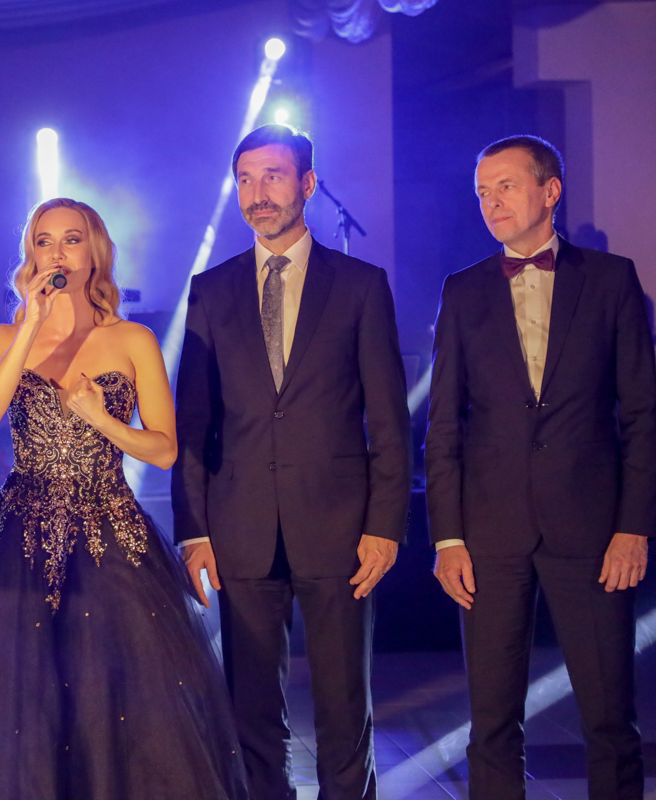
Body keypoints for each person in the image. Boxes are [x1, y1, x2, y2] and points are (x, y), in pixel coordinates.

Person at [0, 198, 247, 800]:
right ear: (31, 256)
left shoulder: (132, 339)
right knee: (13, 704)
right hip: (18, 534)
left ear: (95, 251)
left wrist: (103, 420)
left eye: (71, 239)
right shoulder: (2, 338)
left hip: (108, 532)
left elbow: (165, 449)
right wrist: (30, 325)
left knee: (112, 702)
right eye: (44, 242)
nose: (58, 253)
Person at [173, 124, 412, 800]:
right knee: (250, 714)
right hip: (239, 525)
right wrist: (194, 529)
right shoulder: (211, 289)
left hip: (340, 528)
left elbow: (388, 419)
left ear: (307, 184)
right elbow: (194, 421)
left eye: (273, 176)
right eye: (245, 180)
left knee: (344, 710)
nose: (258, 193)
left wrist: (385, 524)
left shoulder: (360, 285)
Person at [426, 135, 656, 800]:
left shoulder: (611, 280)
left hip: (593, 531)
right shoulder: (463, 290)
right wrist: (448, 538)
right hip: (489, 533)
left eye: (505, 186)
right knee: (491, 725)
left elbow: (640, 415)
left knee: (610, 720)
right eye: (482, 192)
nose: (491, 202)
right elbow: (444, 425)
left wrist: (633, 528)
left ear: (550, 191)